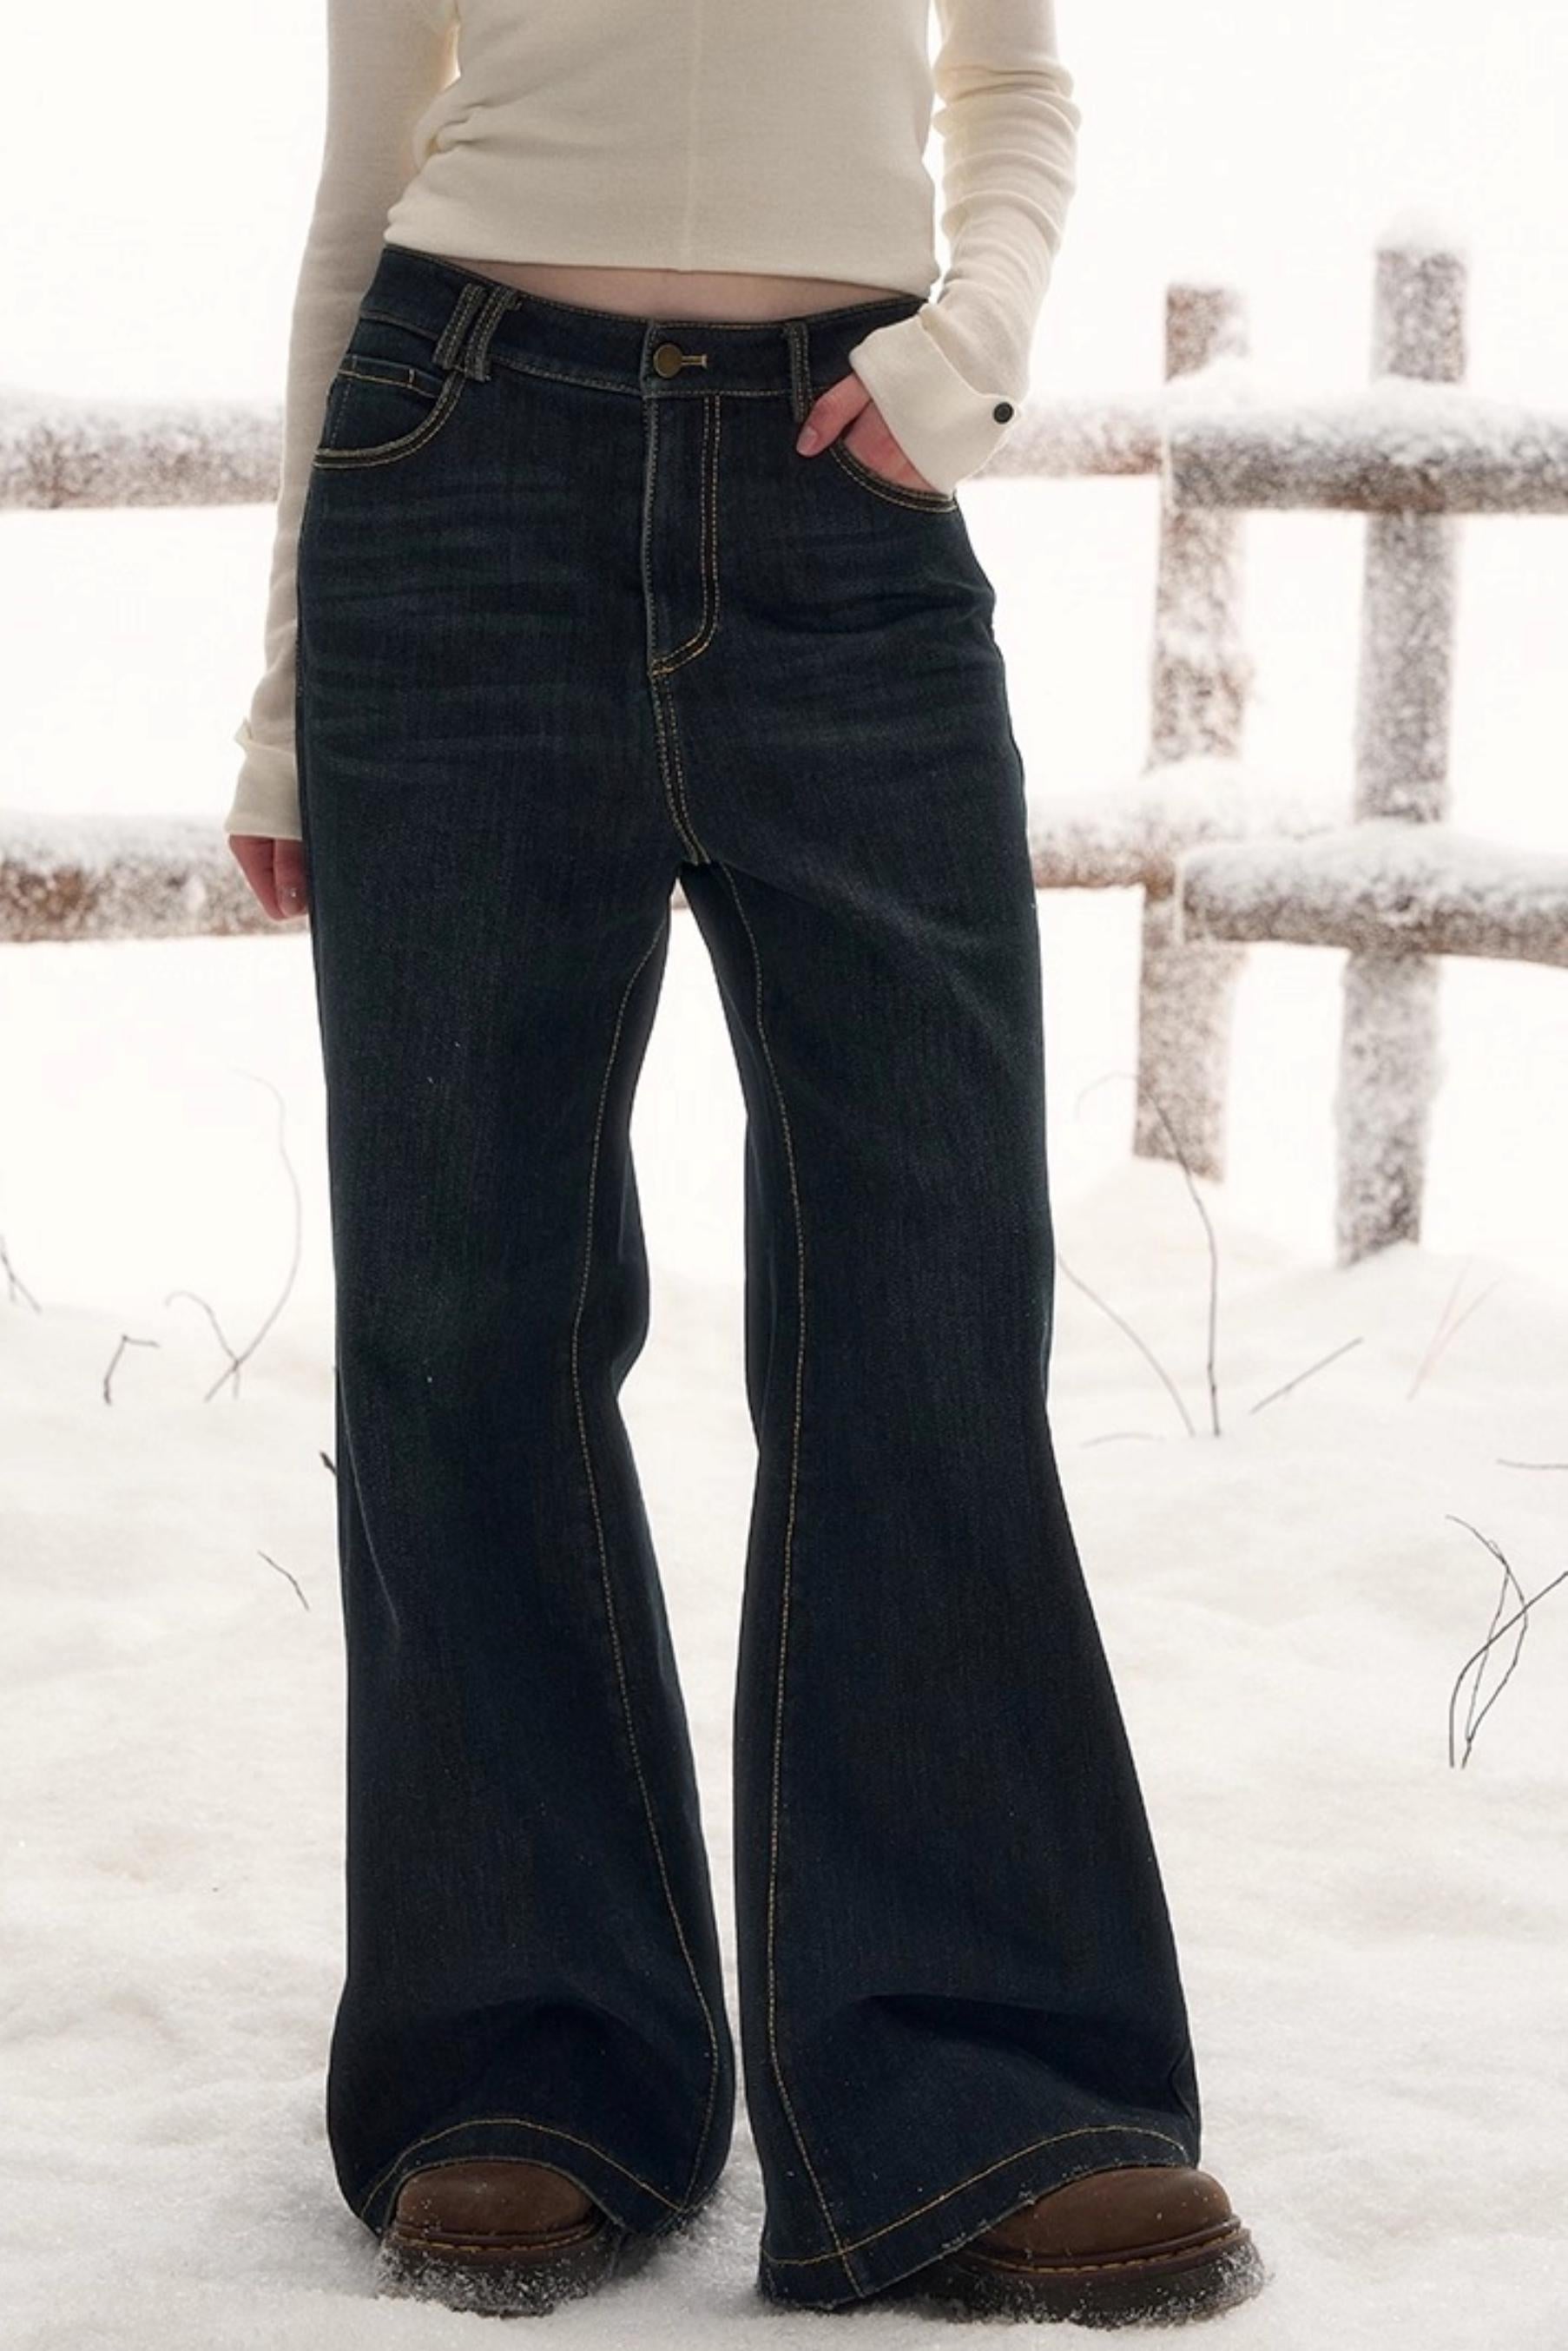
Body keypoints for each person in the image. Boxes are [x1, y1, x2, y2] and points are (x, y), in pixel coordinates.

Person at [225, 0, 1267, 2327]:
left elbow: (1012, 85)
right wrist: (287, 693)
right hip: (457, 469)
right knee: (460, 1307)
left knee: (931, 1283)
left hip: (844, 494)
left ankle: (979, 2084)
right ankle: (527, 2052)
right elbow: (361, 184)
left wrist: (967, 351)